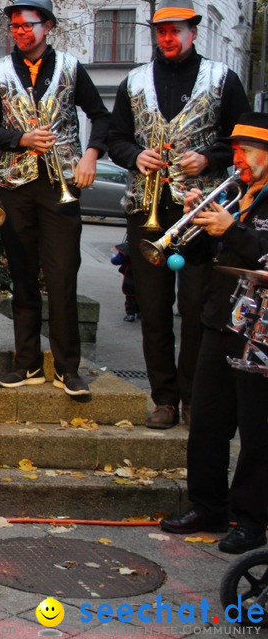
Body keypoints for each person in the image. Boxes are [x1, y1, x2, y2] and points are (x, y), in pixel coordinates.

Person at [107, 0, 250, 429]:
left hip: (200, 214)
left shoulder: (223, 78)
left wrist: (209, 157)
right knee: (152, 309)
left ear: (193, 32)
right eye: (162, 32)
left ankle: (192, 397)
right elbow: (116, 138)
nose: (168, 38)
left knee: (195, 307)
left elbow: (242, 140)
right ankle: (163, 398)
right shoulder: (134, 81)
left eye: (176, 31)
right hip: (145, 211)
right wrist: (134, 156)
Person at [0, 0, 111, 402]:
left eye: (27, 25)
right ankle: (27, 363)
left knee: (62, 277)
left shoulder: (71, 67)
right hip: (16, 188)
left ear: (48, 26)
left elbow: (101, 116)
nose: (19, 32)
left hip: (61, 187)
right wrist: (21, 138)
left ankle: (68, 368)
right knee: (22, 279)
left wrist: (91, 156)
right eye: (14, 26)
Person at [158, 112, 268, 554]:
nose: (235, 158)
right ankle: (207, 506)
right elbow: (206, 256)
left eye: (244, 151)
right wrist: (196, 225)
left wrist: (233, 229)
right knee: (206, 420)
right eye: (236, 150)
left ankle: (252, 519)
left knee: (258, 430)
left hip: (259, 329)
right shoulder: (237, 194)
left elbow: (257, 252)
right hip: (218, 317)